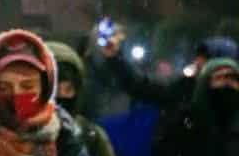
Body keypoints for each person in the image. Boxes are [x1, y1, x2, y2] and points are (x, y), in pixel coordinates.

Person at [99, 30, 238, 115]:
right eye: (198, 57)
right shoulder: (184, 90)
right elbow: (140, 86)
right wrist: (115, 58)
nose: (197, 63)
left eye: (204, 58)